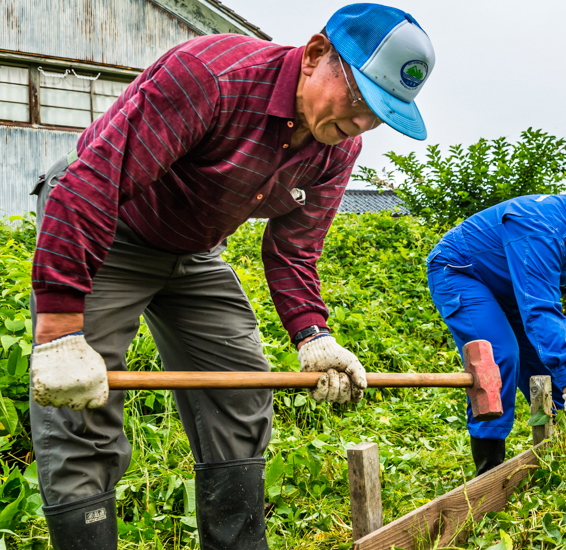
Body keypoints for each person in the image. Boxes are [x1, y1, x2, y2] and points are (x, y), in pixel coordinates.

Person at [26, 5, 436, 549]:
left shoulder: (336, 147)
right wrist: (59, 330)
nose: (361, 123)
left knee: (242, 391)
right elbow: (94, 181)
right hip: (113, 226)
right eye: (360, 99)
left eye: (381, 114)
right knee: (81, 400)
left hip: (194, 248)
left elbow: (294, 249)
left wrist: (315, 336)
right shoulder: (213, 77)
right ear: (316, 56)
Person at [426, 173, 566, 476]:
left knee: (548, 380)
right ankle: (489, 466)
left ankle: (560, 454)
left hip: (514, 292)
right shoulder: (544, 225)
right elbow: (541, 309)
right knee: (500, 355)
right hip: (462, 272)